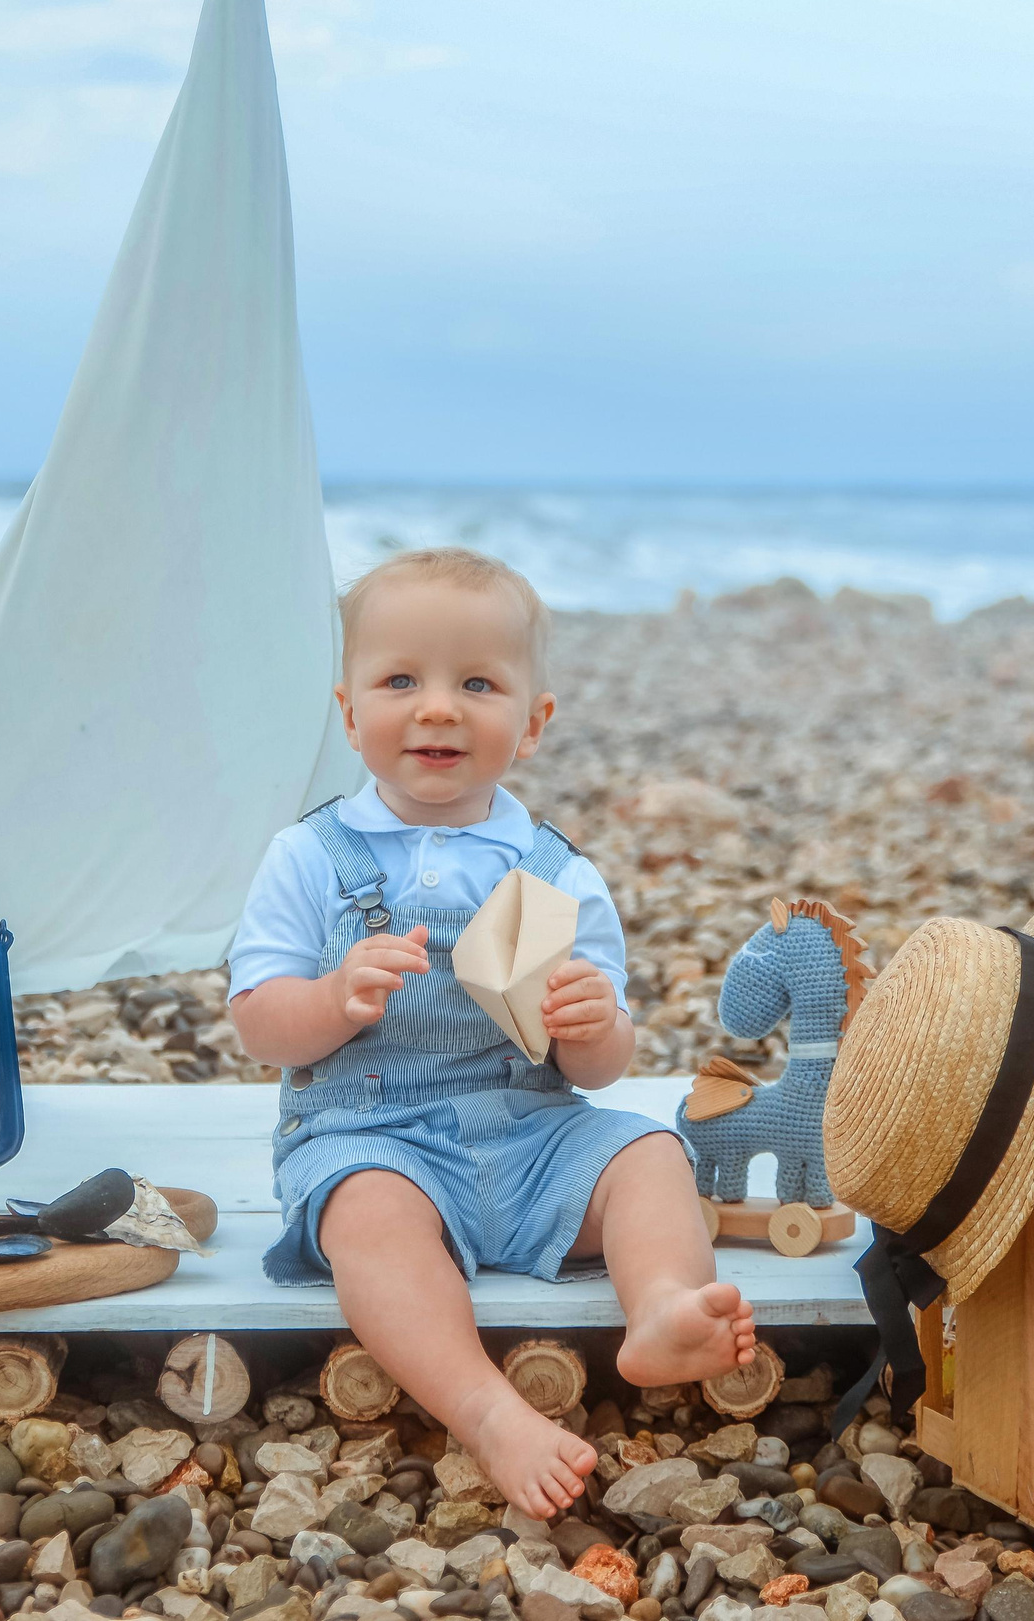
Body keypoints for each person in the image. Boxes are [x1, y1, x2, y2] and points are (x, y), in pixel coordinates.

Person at [228, 547, 756, 1517]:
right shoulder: (308, 856)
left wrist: (588, 1024)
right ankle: (485, 1406)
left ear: (533, 721)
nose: (437, 708)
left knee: (644, 1150)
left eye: (477, 682)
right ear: (348, 711)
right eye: (400, 680)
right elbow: (261, 1021)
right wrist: (333, 995)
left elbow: (604, 1062)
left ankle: (665, 1306)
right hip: (373, 1135)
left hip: (529, 1129)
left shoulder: (554, 870)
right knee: (370, 1220)